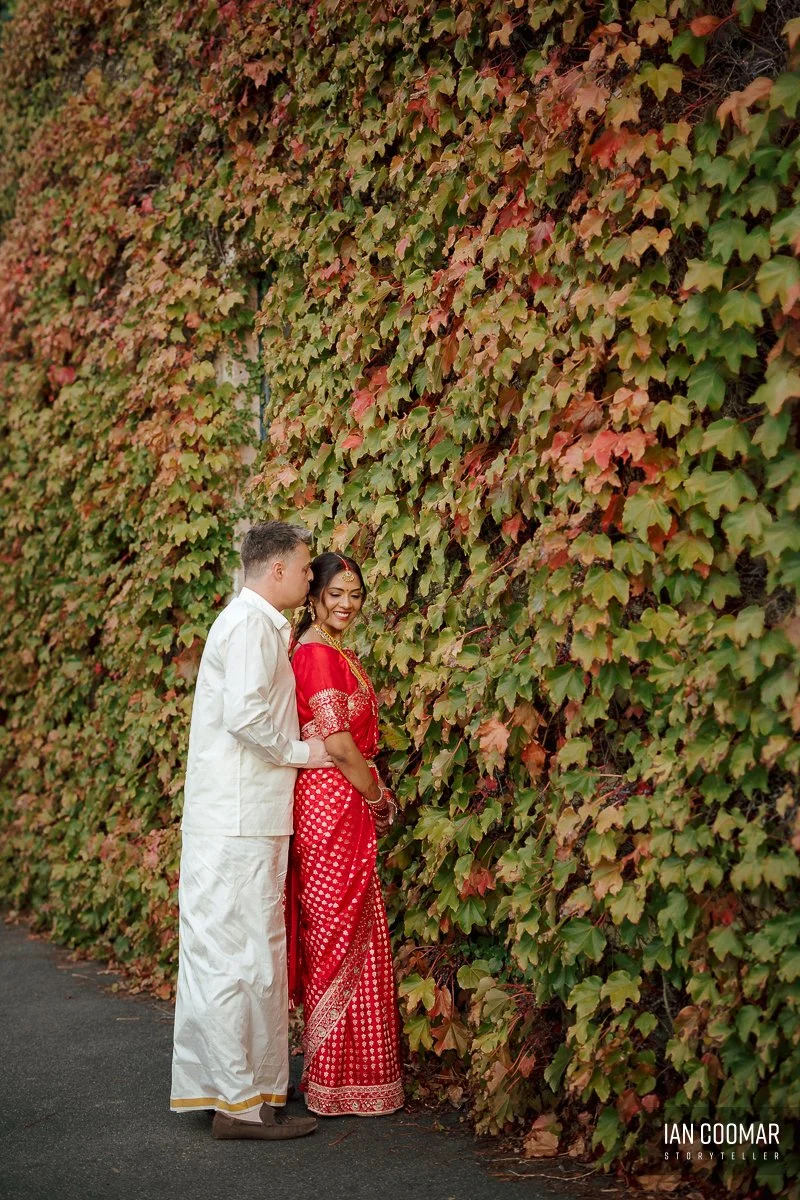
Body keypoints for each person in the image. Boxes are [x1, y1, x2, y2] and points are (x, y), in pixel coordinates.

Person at [170, 521, 332, 1141]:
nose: (311, 577)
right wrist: (305, 753)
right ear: (278, 570)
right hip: (234, 822)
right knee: (231, 958)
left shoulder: (261, 625)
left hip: (250, 817)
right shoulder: (246, 626)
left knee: (252, 955)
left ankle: (248, 1094)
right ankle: (238, 1106)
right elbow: (244, 717)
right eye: (306, 566)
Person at [287, 551, 404, 1117]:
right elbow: (337, 743)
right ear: (314, 596)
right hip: (330, 803)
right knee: (335, 931)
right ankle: (333, 1081)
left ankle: (360, 1078)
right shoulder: (315, 652)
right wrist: (377, 796)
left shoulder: (336, 651)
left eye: (356, 594)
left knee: (353, 927)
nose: (347, 604)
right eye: (336, 593)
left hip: (344, 800)